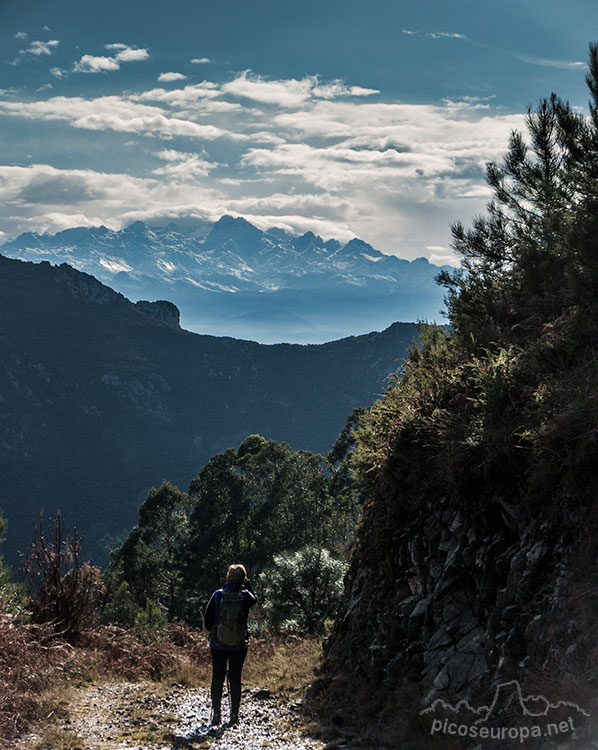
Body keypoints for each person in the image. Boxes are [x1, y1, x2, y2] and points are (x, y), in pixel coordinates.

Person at [204, 564, 257, 726]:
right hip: (239, 645)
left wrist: (216, 631)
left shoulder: (218, 595)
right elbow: (255, 598)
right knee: (235, 678)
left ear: (228, 577)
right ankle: (234, 716)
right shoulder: (246, 596)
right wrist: (246, 584)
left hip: (218, 644)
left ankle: (216, 715)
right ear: (243, 579)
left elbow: (207, 620)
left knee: (217, 677)